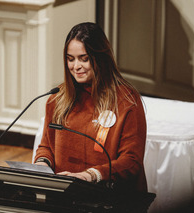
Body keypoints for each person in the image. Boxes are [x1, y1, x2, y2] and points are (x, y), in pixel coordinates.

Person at [34, 22, 147, 192]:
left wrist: (91, 175)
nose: (76, 66)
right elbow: (46, 147)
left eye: (84, 59)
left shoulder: (127, 101)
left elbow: (131, 161)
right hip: (64, 193)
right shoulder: (57, 99)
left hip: (109, 195)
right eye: (70, 59)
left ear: (100, 58)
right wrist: (41, 165)